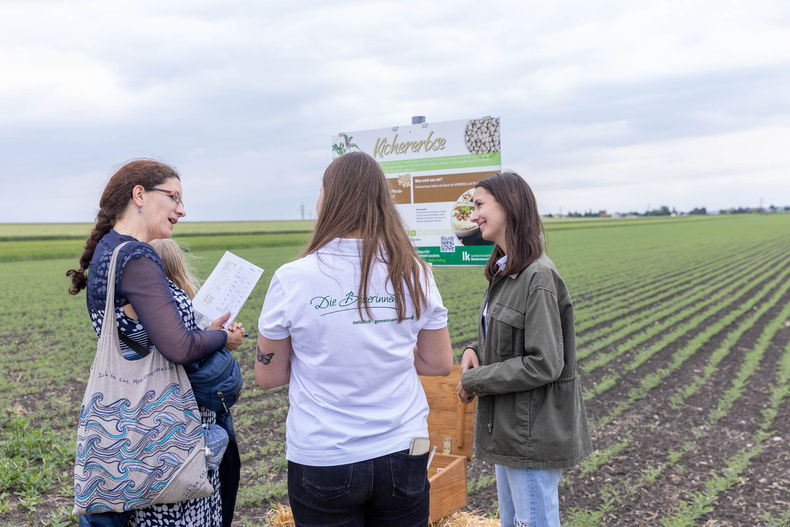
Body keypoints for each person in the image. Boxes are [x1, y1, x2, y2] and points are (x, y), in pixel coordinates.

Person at [255, 151, 454, 527]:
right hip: (405, 448)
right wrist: (383, 347)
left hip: (324, 455)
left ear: (328, 199)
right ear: (382, 201)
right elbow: (439, 362)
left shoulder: (292, 278)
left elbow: (268, 376)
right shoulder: (415, 272)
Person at [67, 159, 246, 527]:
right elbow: (177, 347)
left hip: (130, 427)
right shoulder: (137, 254)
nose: (182, 209)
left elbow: (141, 336)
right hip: (165, 434)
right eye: (174, 197)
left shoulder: (109, 250)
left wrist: (202, 332)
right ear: (140, 196)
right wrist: (221, 338)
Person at [455, 171, 592, 527]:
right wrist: (475, 351)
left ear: (509, 206)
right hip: (512, 431)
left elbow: (544, 363)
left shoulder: (538, 276)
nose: (473, 215)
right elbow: (508, 338)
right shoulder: (506, 271)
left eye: (480, 205)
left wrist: (476, 380)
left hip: (531, 433)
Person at [149, 238, 242, 527]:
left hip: (152, 425)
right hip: (194, 424)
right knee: (200, 499)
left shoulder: (143, 311)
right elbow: (194, 361)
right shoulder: (185, 309)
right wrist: (224, 340)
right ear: (180, 267)